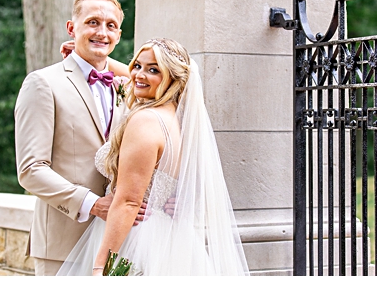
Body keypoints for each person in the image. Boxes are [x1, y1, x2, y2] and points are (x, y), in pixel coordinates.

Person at [55, 39, 248, 276]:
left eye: (154, 69)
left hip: (134, 237)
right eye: (137, 65)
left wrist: (100, 268)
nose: (138, 75)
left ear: (174, 79)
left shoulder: (146, 121)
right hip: (171, 238)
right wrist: (85, 55)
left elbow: (128, 202)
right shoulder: (180, 122)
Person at [15, 0, 128, 275]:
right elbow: (30, 170)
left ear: (119, 34)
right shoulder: (43, 83)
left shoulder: (127, 88)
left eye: (111, 25)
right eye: (92, 22)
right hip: (62, 244)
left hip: (118, 245)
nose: (102, 32)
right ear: (71, 28)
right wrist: (93, 205)